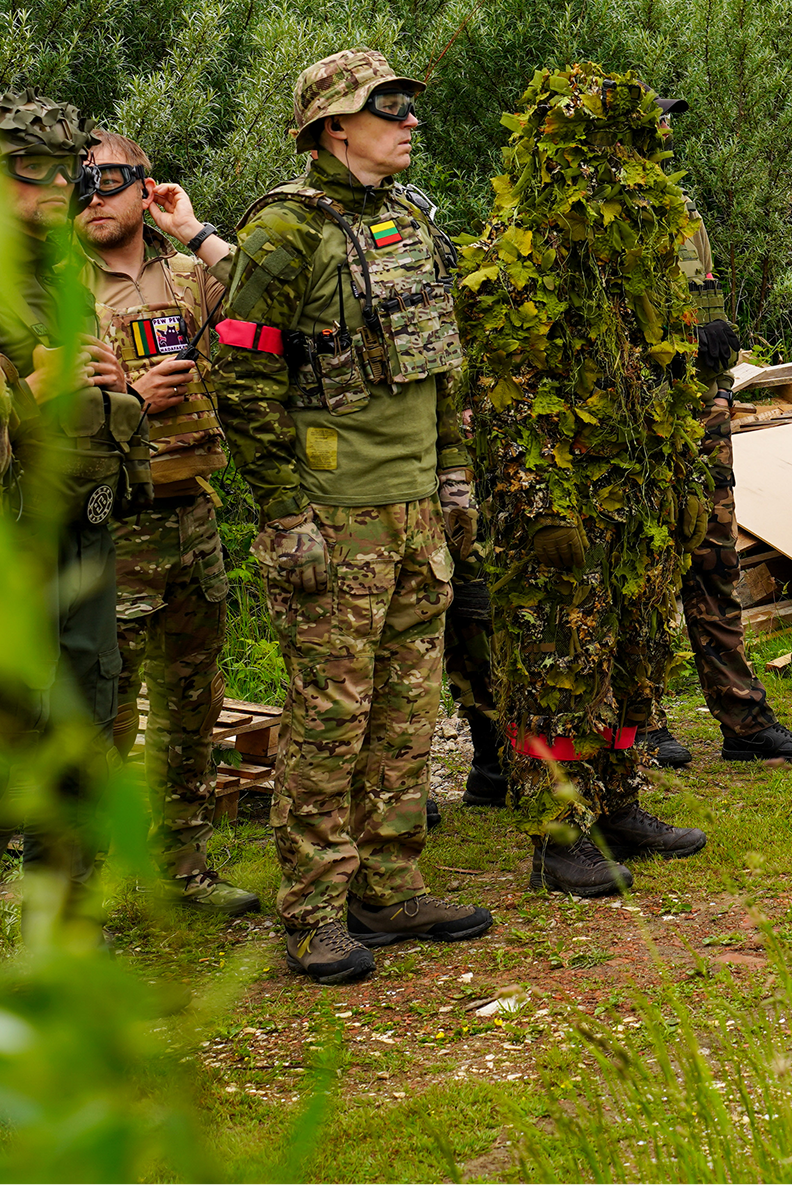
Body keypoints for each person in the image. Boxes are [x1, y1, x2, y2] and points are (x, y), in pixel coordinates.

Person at [213, 48, 492, 985]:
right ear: (334, 126)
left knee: (407, 715)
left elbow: (444, 364)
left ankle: (389, 883)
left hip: (417, 511)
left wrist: (455, 477)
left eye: (411, 107)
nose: (410, 123)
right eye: (390, 108)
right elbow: (243, 377)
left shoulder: (409, 221)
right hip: (337, 517)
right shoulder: (283, 234)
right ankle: (314, 911)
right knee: (330, 721)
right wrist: (284, 512)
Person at [446, 66, 710, 899]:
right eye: (615, 151)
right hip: (558, 503)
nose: (636, 170)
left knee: (635, 657)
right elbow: (507, 398)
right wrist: (542, 506)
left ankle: (621, 802)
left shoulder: (637, 258)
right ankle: (559, 833)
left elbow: (671, 379)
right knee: (557, 667)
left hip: (636, 500)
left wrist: (688, 479)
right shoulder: (509, 257)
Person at [0, 91, 152, 956]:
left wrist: (113, 388)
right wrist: (36, 389)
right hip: (3, 562)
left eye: (75, 171)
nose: (61, 188)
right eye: (36, 172)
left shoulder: (58, 273)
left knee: (85, 738)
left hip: (81, 547)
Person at [76, 127, 257, 916]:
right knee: (100, 723)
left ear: (145, 186)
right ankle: (87, 898)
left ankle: (181, 871)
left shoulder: (185, 274)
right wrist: (129, 407)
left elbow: (274, 292)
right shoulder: (51, 288)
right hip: (107, 528)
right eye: (76, 181)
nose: (91, 195)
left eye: (109, 179)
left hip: (192, 519)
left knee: (192, 706)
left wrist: (194, 229)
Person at [651, 96, 792, 758]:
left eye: (671, 122)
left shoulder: (682, 212)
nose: (666, 134)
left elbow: (704, 305)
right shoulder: (593, 220)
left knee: (714, 562)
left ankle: (743, 722)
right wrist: (679, 338)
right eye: (653, 122)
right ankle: (643, 724)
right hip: (642, 419)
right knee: (646, 572)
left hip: (702, 411)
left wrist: (712, 349)